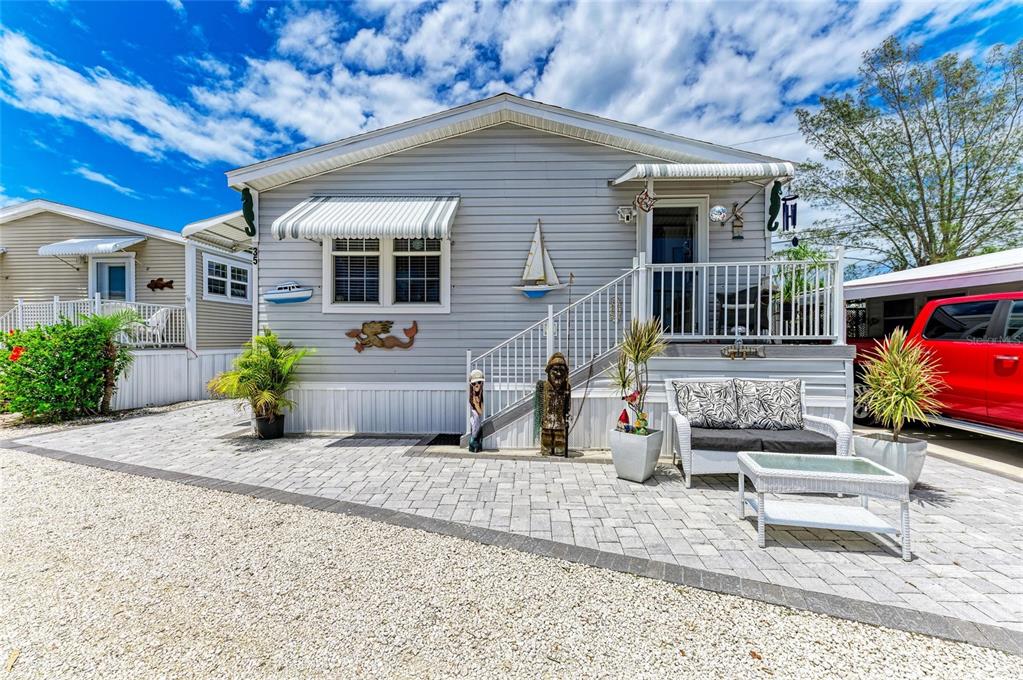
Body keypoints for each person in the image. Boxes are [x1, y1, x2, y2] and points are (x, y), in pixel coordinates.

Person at [535, 352, 571, 456]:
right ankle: (546, 449)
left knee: (560, 439)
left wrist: (567, 415)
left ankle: (559, 449)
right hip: (547, 421)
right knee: (546, 438)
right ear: (549, 371)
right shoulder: (544, 386)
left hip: (560, 421)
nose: (558, 374)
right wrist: (541, 417)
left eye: (562, 371)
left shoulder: (567, 387)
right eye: (555, 370)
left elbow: (568, 405)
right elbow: (540, 405)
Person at [467, 369, 485, 452]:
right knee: (476, 417)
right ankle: (473, 441)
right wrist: (476, 403)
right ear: (471, 385)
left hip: (478, 416)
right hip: (475, 414)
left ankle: (476, 442)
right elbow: (478, 411)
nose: (477, 385)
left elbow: (481, 410)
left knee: (478, 423)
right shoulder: (472, 397)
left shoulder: (480, 395)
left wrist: (478, 403)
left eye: (479, 382)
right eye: (474, 383)